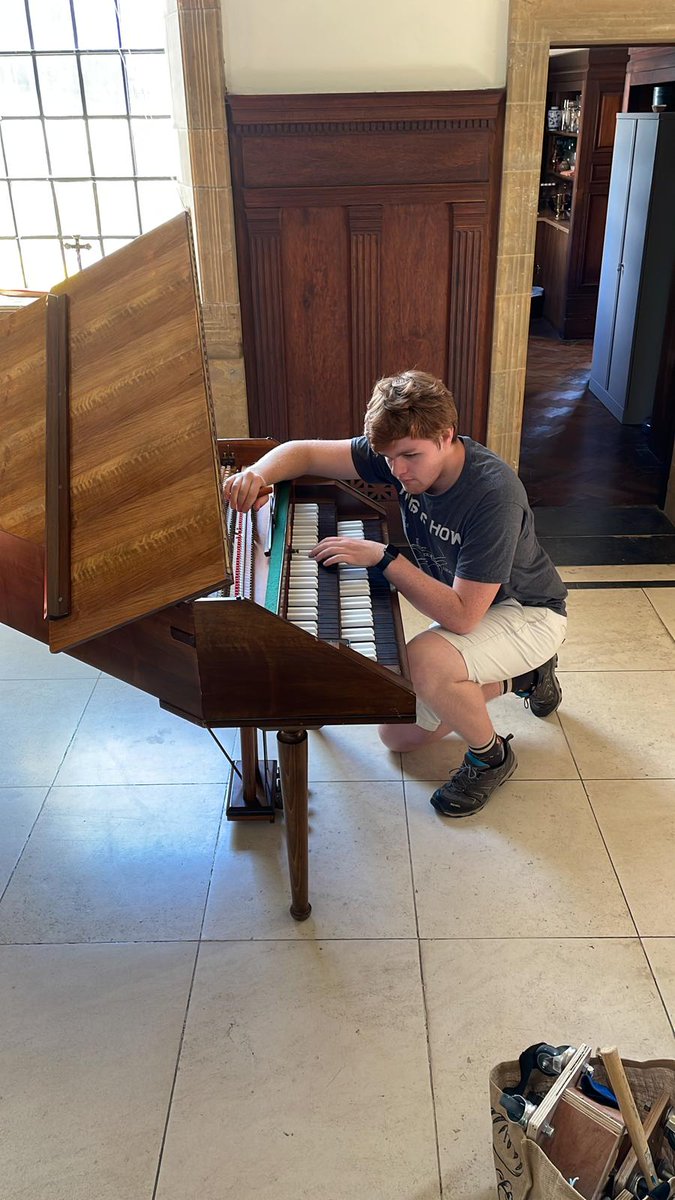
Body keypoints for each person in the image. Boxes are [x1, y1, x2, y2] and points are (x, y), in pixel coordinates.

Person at [223, 370, 568, 818]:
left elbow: (463, 617)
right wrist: (256, 473)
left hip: (528, 612)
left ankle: (491, 756)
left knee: (426, 663)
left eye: (410, 456)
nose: (399, 471)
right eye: (388, 458)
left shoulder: (493, 496)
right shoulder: (399, 449)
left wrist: (385, 559)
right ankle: (525, 678)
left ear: (446, 436)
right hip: (474, 603)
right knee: (396, 736)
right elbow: (303, 452)